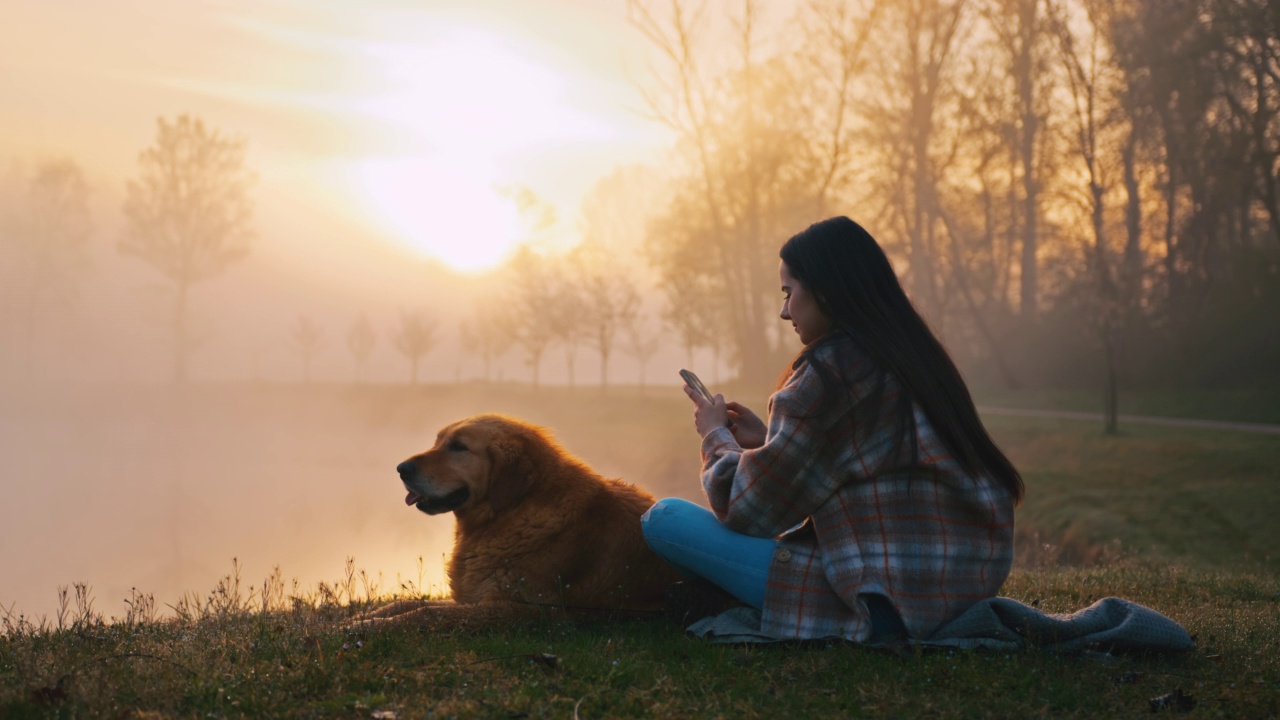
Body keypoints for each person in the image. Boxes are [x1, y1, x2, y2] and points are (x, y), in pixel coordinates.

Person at [641, 216, 1023, 643]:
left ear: (823, 289)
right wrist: (768, 440)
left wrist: (716, 436)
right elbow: (859, 460)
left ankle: (733, 601)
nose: (784, 311)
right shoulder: (913, 355)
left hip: (878, 603)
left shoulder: (830, 374)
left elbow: (748, 511)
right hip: (959, 590)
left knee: (664, 518)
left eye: (789, 293)